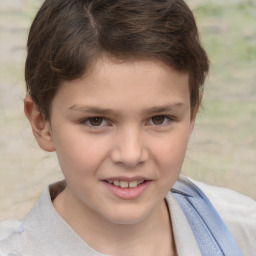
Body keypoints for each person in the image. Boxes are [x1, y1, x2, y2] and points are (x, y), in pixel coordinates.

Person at [0, 0, 255, 255]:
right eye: (96, 121)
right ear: (41, 123)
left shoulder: (243, 231)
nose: (131, 155)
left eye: (159, 119)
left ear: (191, 116)